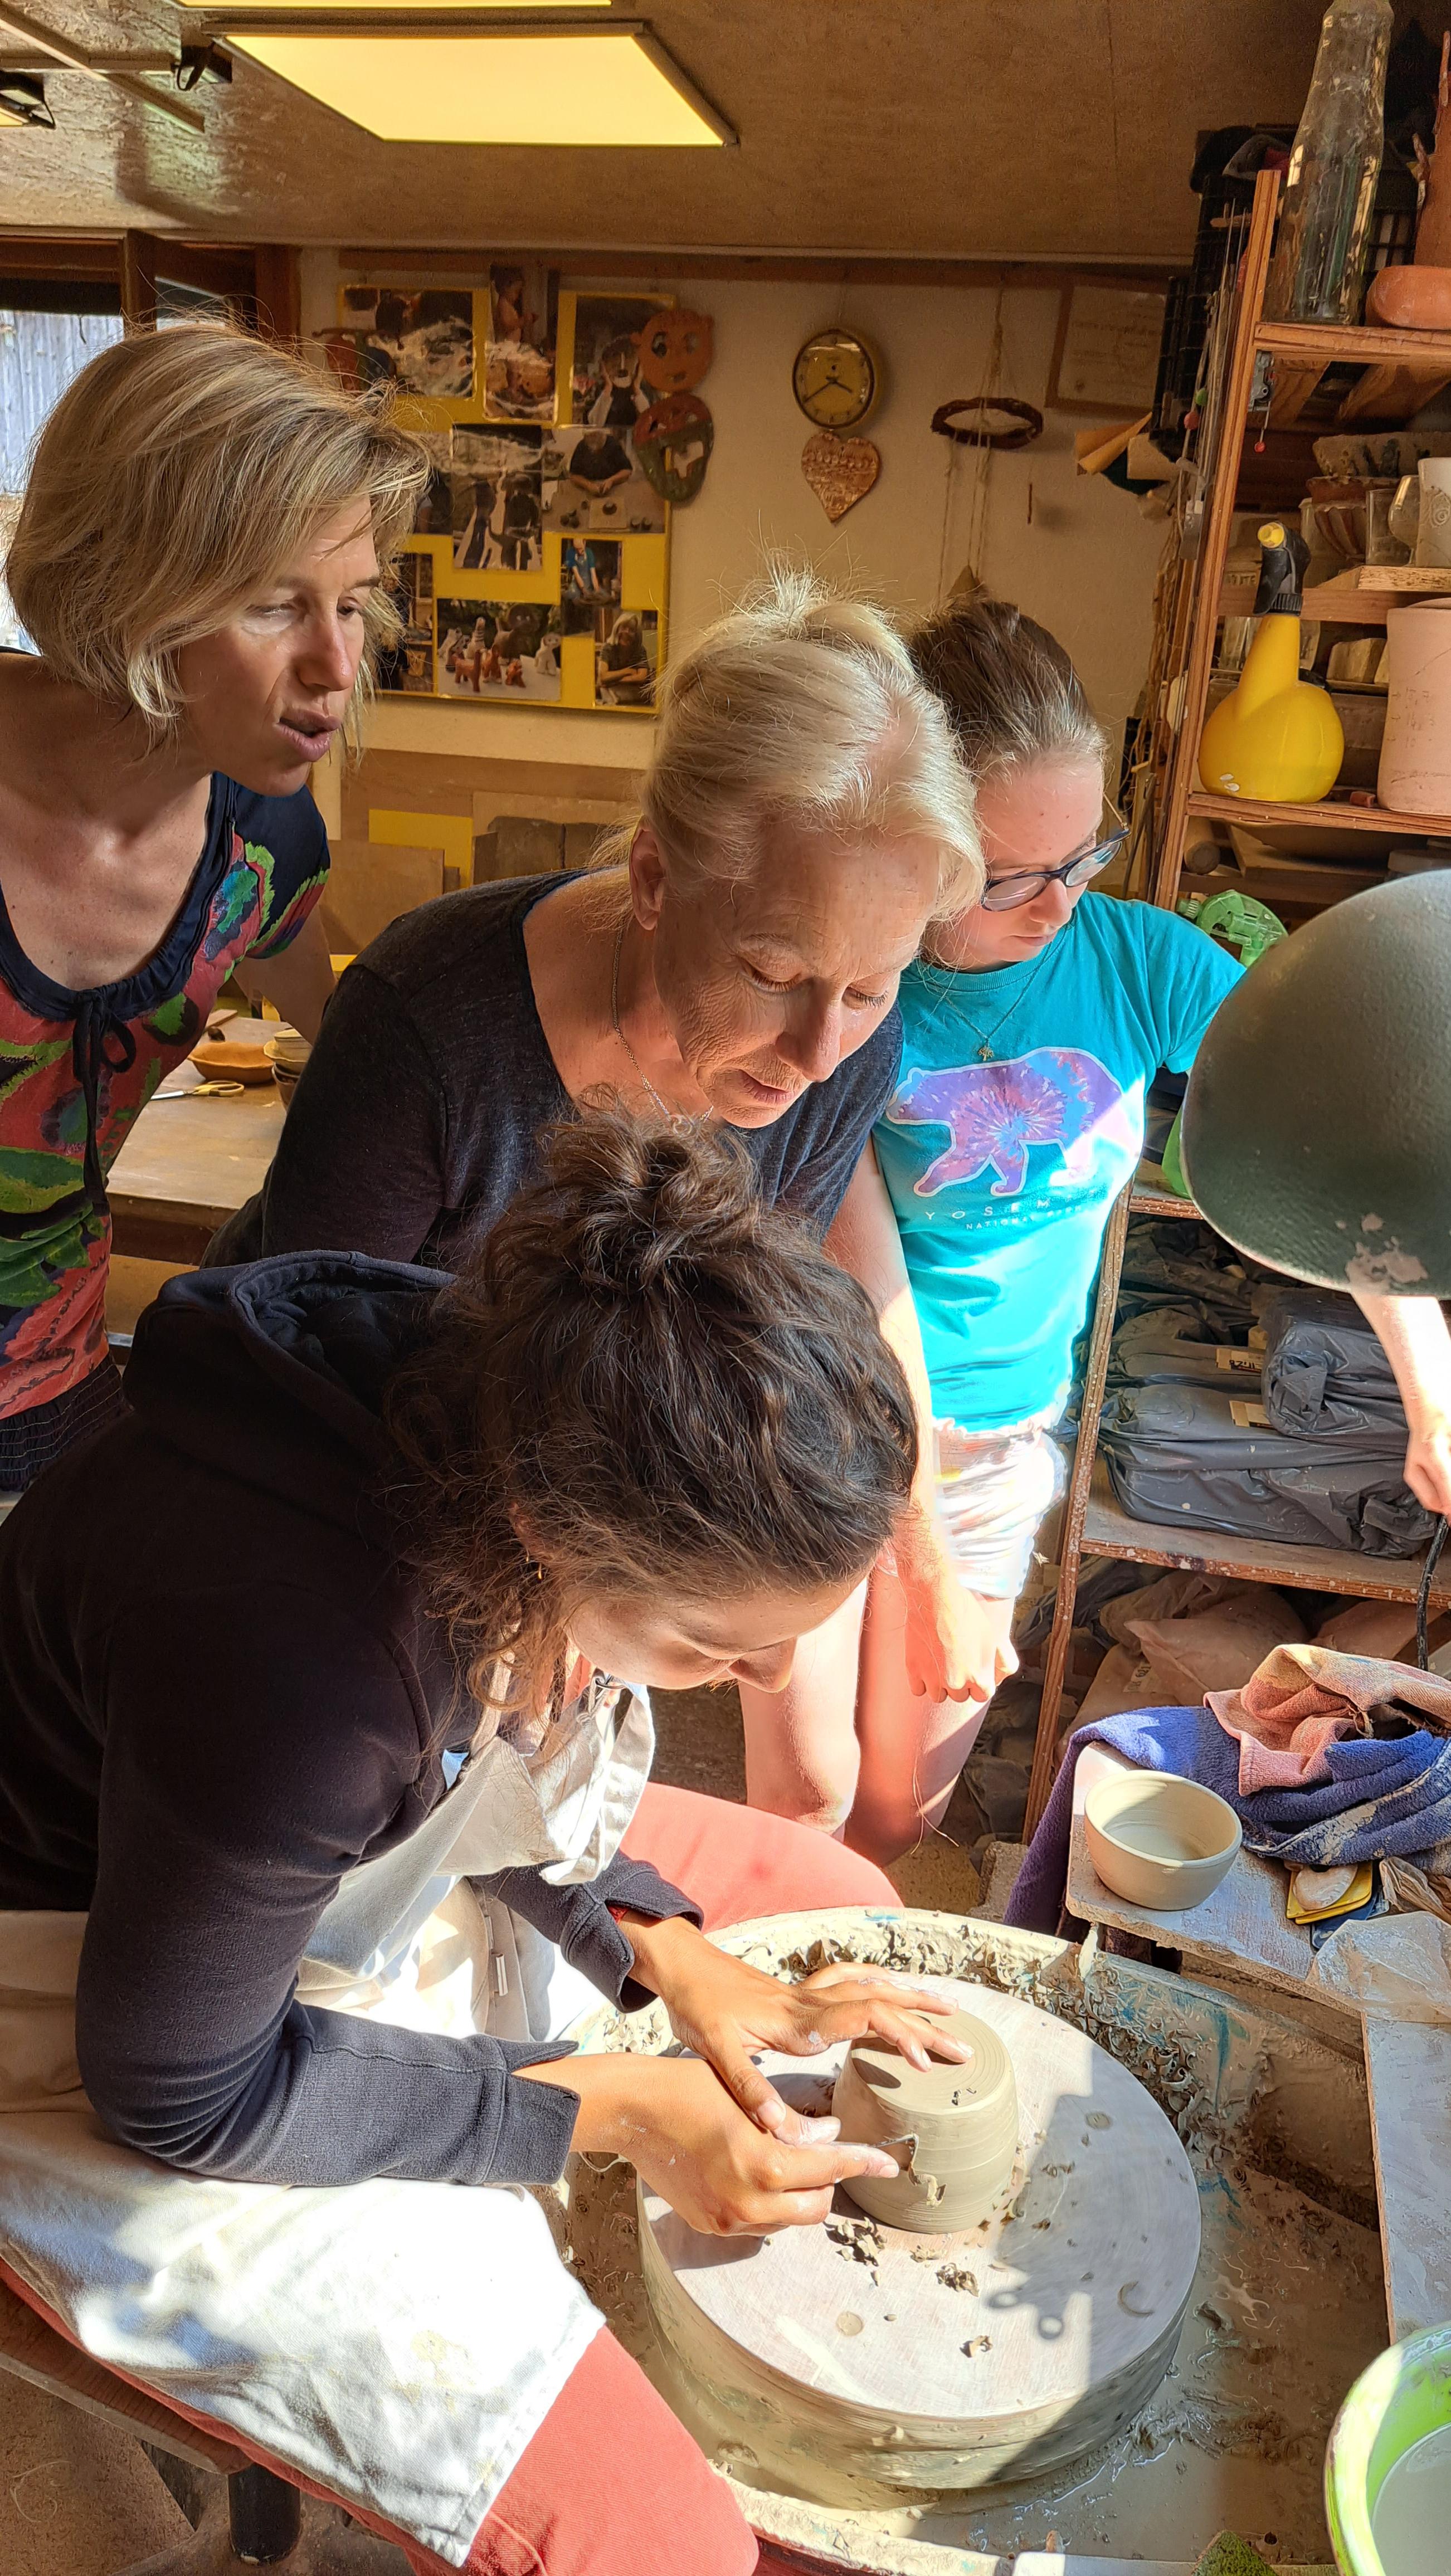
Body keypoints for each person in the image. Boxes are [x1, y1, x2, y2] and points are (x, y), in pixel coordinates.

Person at [0, 1114, 968, 2576]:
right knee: (656, 2544)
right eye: (717, 1648)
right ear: (547, 1537)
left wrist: (659, 1940)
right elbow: (184, 2098)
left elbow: (486, 1760)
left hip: (294, 1851)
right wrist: (620, 2108)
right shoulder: (301, 1672)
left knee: (818, 1898)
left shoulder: (509, 1392)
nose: (768, 1687)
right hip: (86, 2013)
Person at [205, 570, 989, 1714]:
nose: (821, 1047)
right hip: (322, 1456)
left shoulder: (838, 1056)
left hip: (548, 1510)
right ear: (656, 876)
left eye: (871, 987)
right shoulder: (429, 1021)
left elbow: (708, 1339)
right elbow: (318, 1374)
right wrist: (526, 1604)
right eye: (774, 971)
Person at [739, 593, 1248, 1857]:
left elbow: (1325, 1129)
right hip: (820, 1409)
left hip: (999, 1436)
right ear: (918, 843)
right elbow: (868, 1301)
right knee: (802, 1797)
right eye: (1015, 873)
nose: (1061, 900)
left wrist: (1427, 1372)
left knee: (895, 1817)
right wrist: (917, 1566)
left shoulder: (1138, 963)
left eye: (1085, 853)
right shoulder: (854, 994)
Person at [0, 323, 425, 1492]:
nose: (337, 666)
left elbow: (347, 1045)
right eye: (275, 605)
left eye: (352, 604)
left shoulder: (268, 851)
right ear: (129, 588)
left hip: (56, 1387)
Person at [596, 607, 653, 705]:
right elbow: (603, 677)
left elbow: (642, 677)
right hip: (611, 695)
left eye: (631, 630)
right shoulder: (608, 648)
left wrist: (614, 680)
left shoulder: (640, 650)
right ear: (617, 629)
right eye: (623, 628)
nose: (626, 632)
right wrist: (628, 671)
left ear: (637, 635)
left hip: (633, 696)